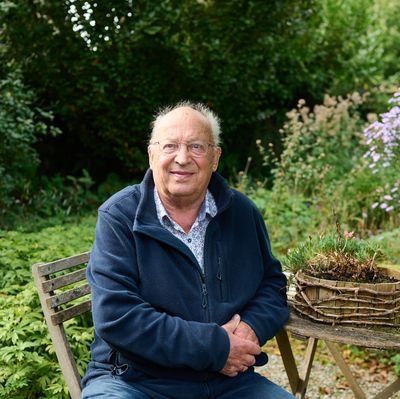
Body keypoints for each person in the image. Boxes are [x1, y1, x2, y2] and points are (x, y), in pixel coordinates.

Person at [81, 101, 295, 399]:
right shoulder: (119, 217)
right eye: (170, 146)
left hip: (228, 384)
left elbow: (272, 285)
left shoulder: (242, 213)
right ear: (151, 154)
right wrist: (216, 347)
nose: (182, 158)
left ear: (215, 157)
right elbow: (117, 316)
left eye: (196, 147)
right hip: (136, 381)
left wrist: (250, 327)